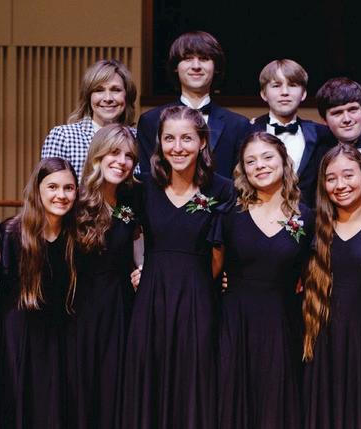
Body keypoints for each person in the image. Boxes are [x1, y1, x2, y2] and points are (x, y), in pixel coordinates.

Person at [121, 105, 235, 429]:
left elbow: (224, 248)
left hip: (199, 300)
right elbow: (121, 231)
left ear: (202, 142)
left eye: (187, 138)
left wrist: (218, 280)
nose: (178, 147)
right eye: (169, 138)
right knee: (149, 385)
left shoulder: (222, 189)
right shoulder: (142, 188)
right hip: (151, 301)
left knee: (195, 386)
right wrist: (136, 269)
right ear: (159, 142)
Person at [216, 131, 313, 429]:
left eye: (267, 157)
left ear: (284, 161)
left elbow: (314, 270)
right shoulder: (229, 214)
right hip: (235, 323)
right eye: (251, 161)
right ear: (243, 170)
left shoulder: (306, 217)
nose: (260, 165)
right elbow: (211, 268)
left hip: (283, 323)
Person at [302, 144, 361, 429]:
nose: (340, 185)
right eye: (331, 178)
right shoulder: (315, 225)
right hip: (323, 337)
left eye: (348, 175)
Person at [0, 157, 78, 428]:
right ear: (37, 190)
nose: (61, 195)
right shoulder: (12, 232)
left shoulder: (76, 237)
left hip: (60, 337)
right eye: (52, 187)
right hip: (20, 337)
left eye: (68, 188)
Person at [73, 124, 139, 428]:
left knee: (115, 390)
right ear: (98, 155)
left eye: (129, 156)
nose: (122, 161)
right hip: (82, 310)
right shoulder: (76, 202)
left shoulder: (130, 202)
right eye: (114, 152)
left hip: (121, 307)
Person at [136, 31, 250, 178]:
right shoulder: (151, 121)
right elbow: (148, 180)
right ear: (176, 67)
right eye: (188, 59)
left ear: (216, 67)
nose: (196, 66)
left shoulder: (238, 125)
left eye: (204, 59)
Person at [249, 59, 329, 206]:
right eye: (276, 86)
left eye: (292, 85)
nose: (285, 92)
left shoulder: (321, 134)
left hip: (309, 216)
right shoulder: (247, 131)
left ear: (303, 94)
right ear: (264, 94)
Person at [41, 59, 137, 178]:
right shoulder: (63, 137)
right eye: (99, 90)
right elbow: (50, 186)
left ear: (127, 95)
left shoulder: (138, 138)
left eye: (116, 90)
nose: (108, 98)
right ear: (88, 96)